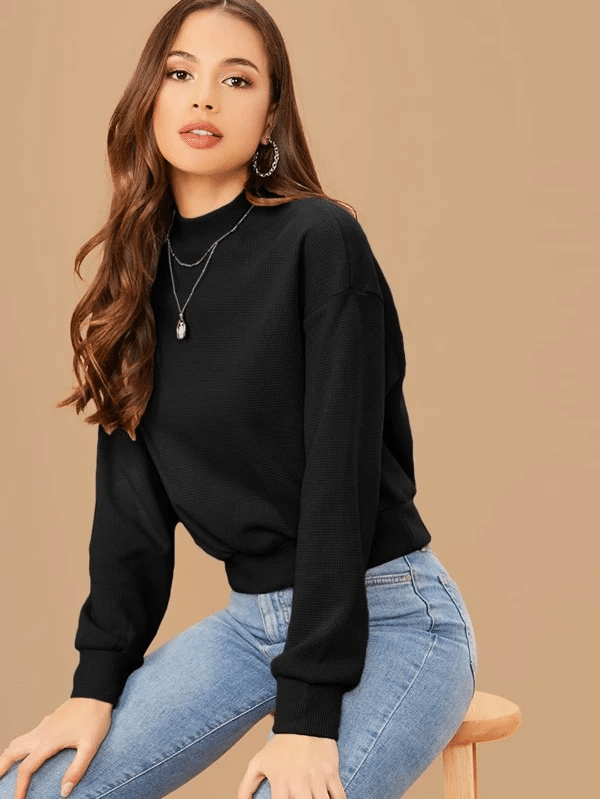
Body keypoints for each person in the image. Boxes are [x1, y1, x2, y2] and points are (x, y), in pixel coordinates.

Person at [0, 1, 478, 798]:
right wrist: (94, 685)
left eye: (237, 79)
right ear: (150, 95)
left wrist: (307, 715)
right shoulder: (136, 280)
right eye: (181, 73)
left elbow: (338, 481)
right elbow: (130, 517)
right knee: (40, 789)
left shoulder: (320, 242)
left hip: (391, 615)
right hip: (250, 625)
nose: (204, 97)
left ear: (270, 115)